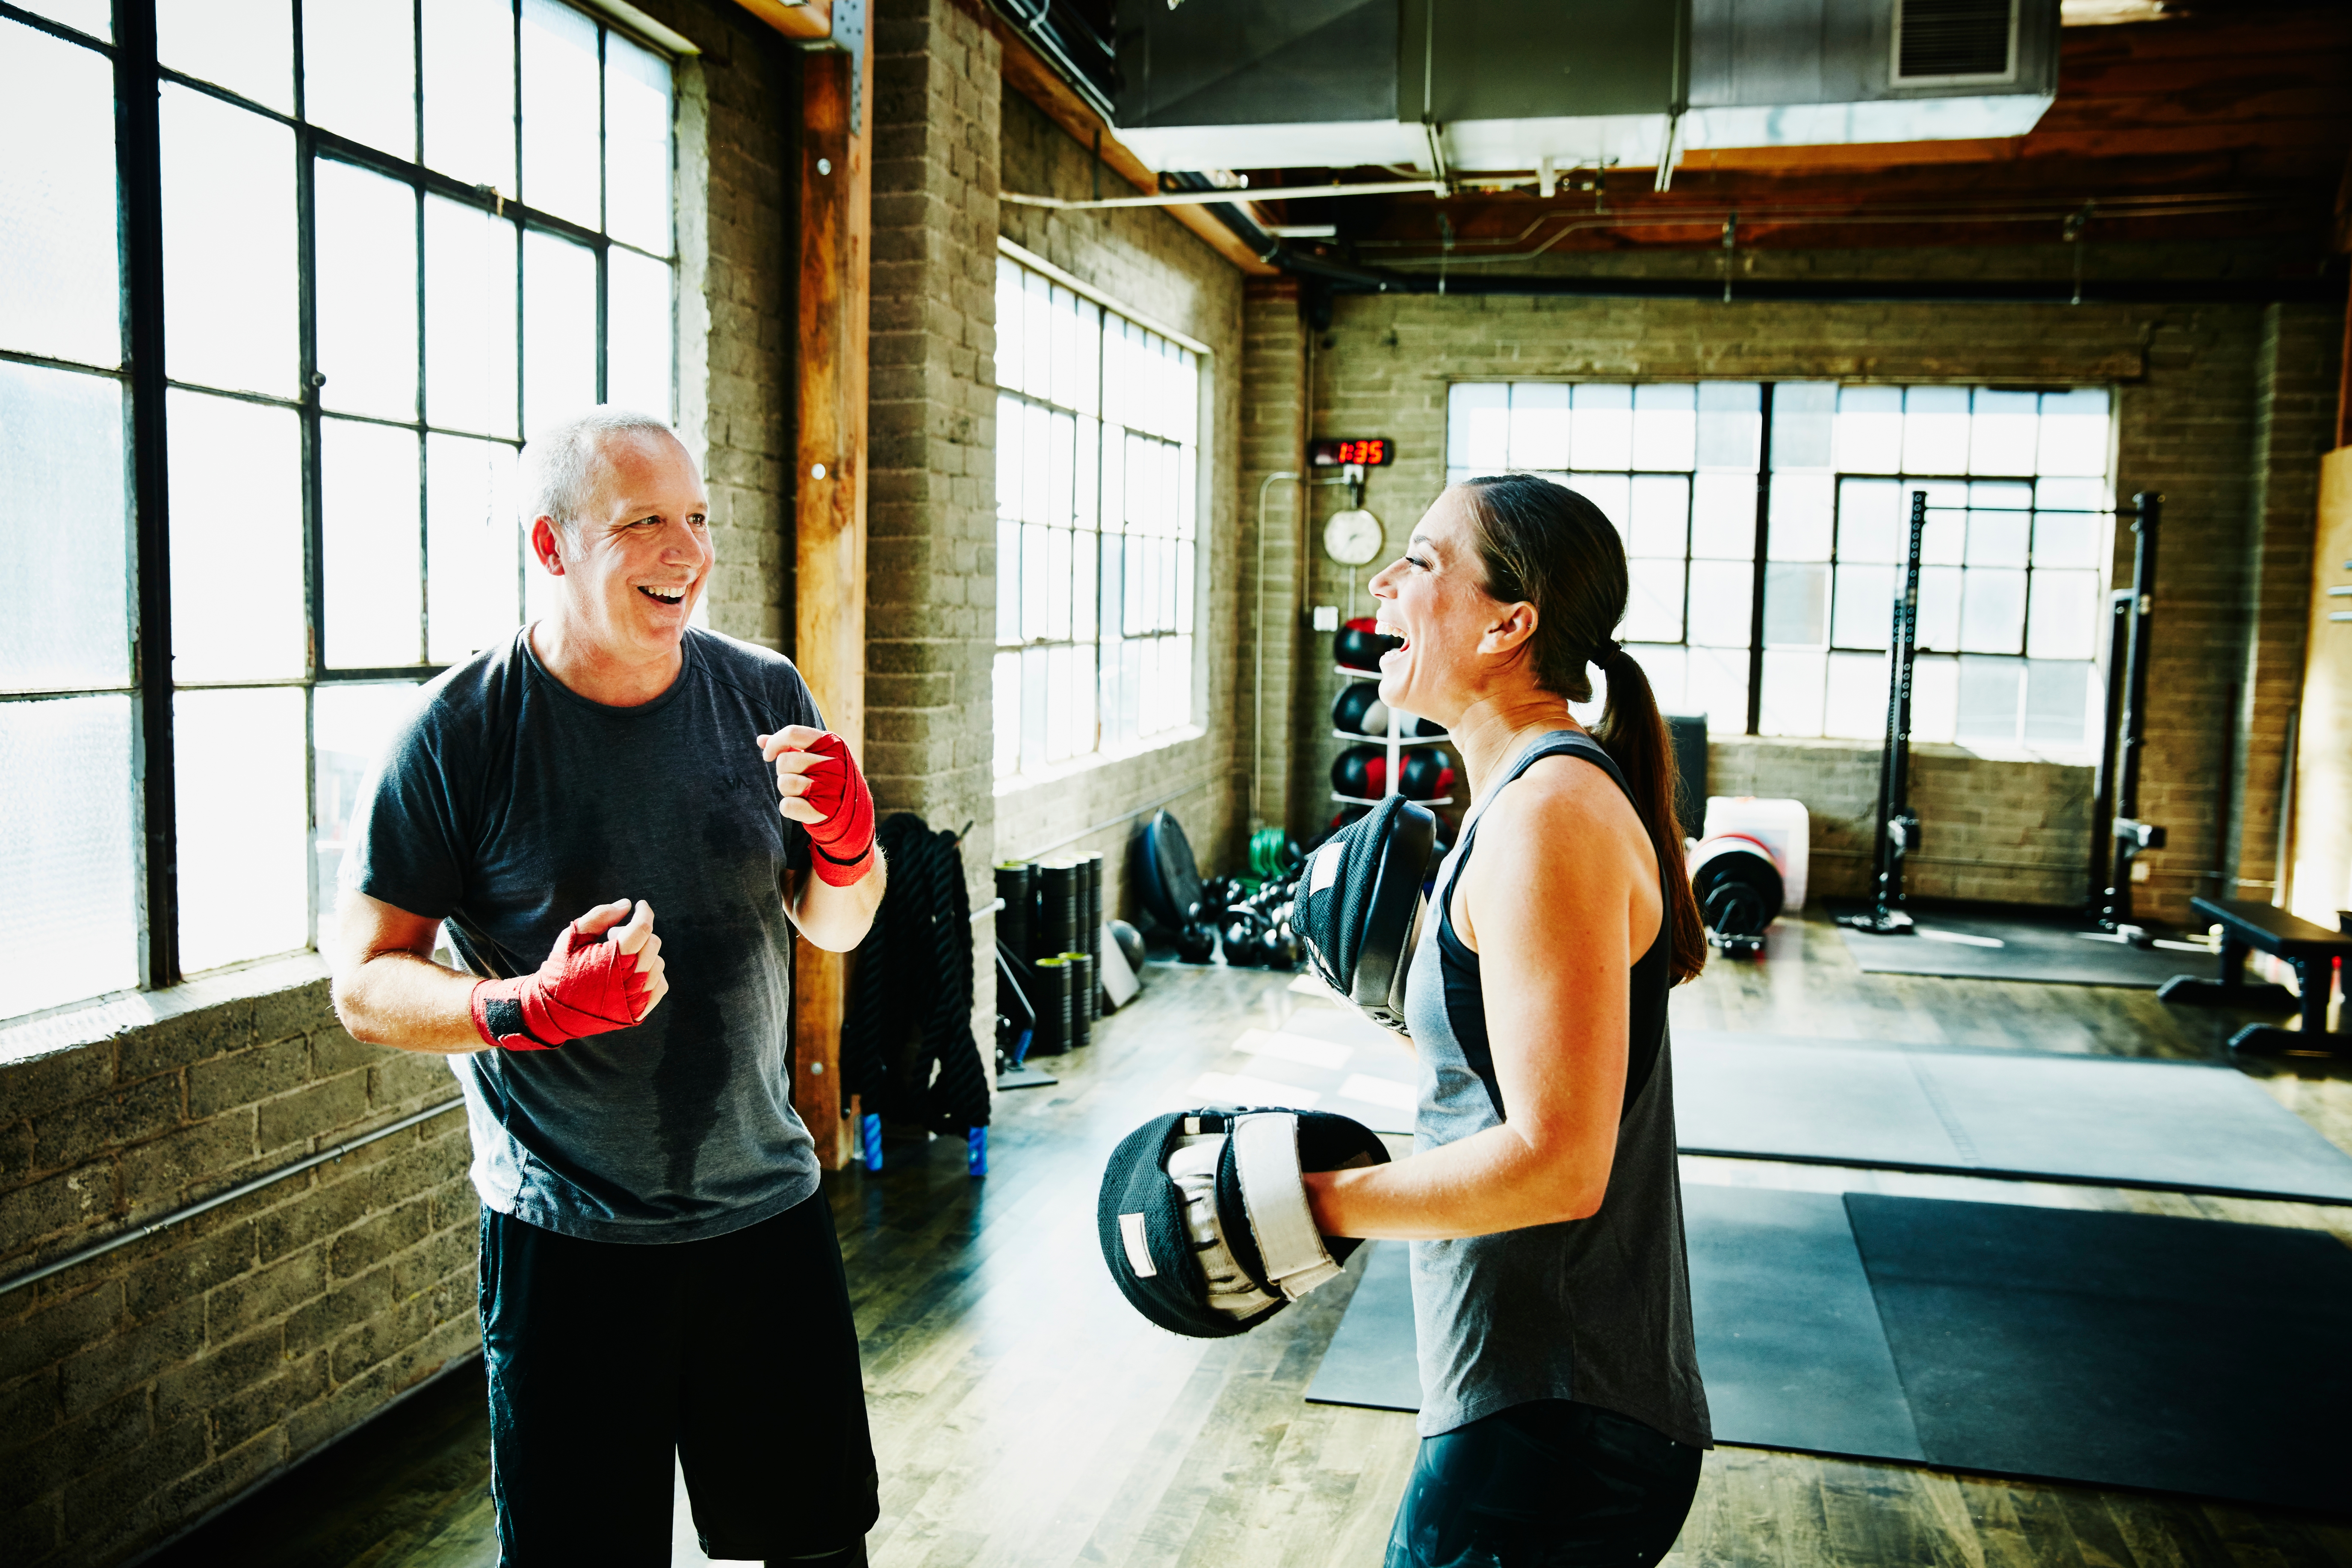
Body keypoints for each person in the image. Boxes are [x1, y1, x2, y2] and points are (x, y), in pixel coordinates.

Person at [328, 408, 888, 1566]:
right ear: (551, 546)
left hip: (763, 1211)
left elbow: (834, 924)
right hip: (567, 1238)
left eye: (695, 518)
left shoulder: (760, 690)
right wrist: (518, 1009)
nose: (686, 553)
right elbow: (364, 982)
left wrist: (847, 852)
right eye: (642, 523)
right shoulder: (458, 734)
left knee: (818, 1545)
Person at [1302, 473, 1712, 1567]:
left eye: (1423, 560)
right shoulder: (1523, 800)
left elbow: (1557, 1164)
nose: (1384, 579)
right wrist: (1404, 999)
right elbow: (1502, 1077)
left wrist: (1310, 1206)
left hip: (1560, 1424)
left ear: (1507, 623)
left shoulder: (1548, 815)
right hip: (1532, 1401)